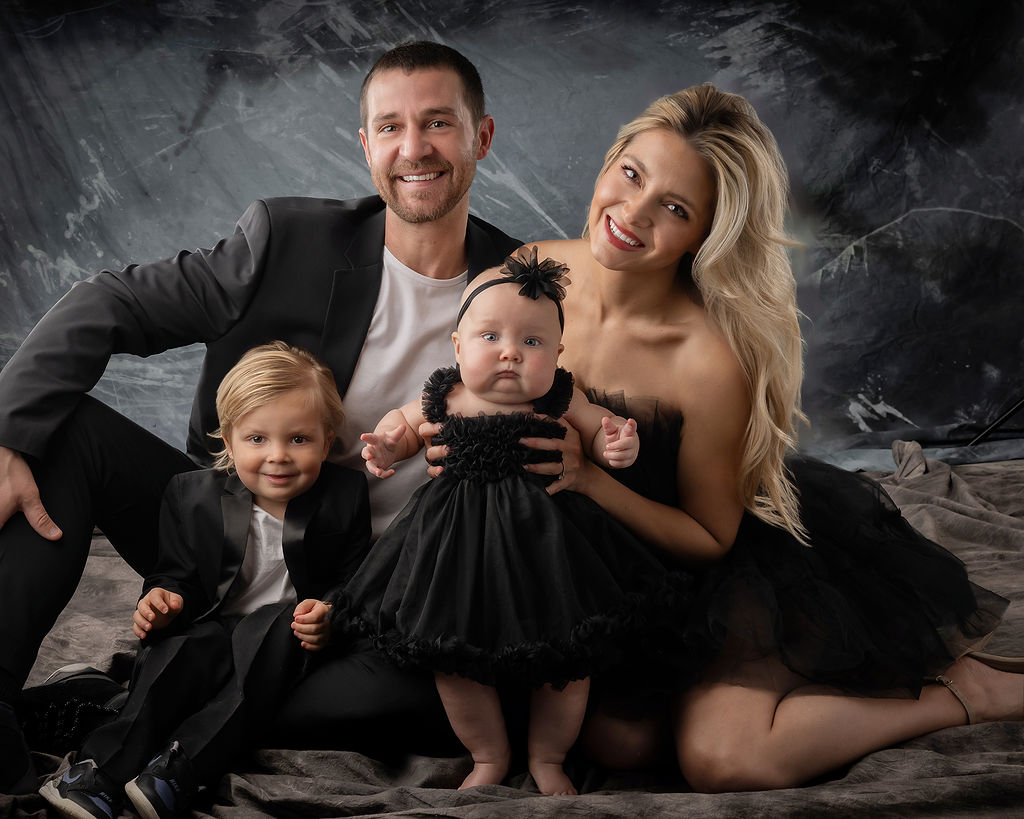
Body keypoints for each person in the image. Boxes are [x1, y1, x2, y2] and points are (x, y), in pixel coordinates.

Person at [460, 84, 1020, 792]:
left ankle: (970, 693)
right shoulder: (528, 271)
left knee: (722, 760)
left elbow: (709, 535)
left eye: (675, 207)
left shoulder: (706, 359)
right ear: (609, 163)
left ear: (705, 233)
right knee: (613, 740)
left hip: (703, 574)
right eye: (632, 174)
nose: (632, 213)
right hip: (576, 572)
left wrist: (592, 479)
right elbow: (471, 391)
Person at [0, 41, 519, 793]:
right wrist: (6, 432)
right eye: (393, 127)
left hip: (378, 595)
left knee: (455, 703)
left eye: (439, 123)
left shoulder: (522, 288)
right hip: (227, 547)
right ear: (367, 143)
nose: (416, 149)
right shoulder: (290, 239)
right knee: (50, 431)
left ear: (482, 137)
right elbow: (110, 302)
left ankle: (113, 703)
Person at [333, 250, 689, 795]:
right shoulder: (446, 395)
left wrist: (617, 442)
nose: (510, 354)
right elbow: (404, 425)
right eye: (489, 337)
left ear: (558, 353)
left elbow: (600, 428)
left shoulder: (560, 396)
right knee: (452, 658)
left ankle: (549, 758)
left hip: (550, 548)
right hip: (453, 550)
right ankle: (488, 757)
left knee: (567, 657)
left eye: (532, 342)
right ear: (457, 345)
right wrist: (385, 444)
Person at [38, 341, 371, 818]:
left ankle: (181, 768)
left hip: (285, 639)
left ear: (327, 438)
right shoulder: (191, 495)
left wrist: (330, 613)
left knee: (273, 624)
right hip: (212, 627)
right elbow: (176, 574)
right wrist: (162, 597)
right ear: (229, 440)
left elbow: (351, 579)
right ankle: (102, 771)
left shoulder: (345, 494)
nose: (278, 456)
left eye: (299, 439)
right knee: (180, 650)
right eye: (258, 439)